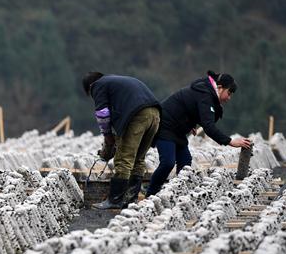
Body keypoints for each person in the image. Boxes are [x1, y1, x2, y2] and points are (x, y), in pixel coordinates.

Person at [145, 71, 252, 197]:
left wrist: (191, 124)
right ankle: (150, 194)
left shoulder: (207, 93)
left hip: (178, 130)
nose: (229, 98)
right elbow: (209, 127)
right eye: (229, 93)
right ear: (220, 87)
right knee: (168, 162)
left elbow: (191, 108)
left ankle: (177, 193)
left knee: (185, 162)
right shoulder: (206, 95)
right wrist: (230, 141)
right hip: (165, 126)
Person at [83, 72, 161, 209]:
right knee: (138, 158)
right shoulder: (116, 83)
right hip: (155, 114)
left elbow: (102, 113)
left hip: (137, 116)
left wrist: (107, 135)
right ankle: (131, 199)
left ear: (90, 87)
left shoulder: (98, 85)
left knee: (123, 159)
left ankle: (115, 200)